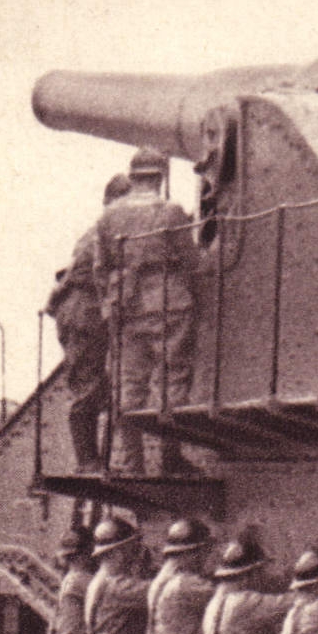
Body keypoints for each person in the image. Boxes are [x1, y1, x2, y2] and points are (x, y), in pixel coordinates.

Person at [92, 147, 201, 474]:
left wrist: (112, 300)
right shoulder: (171, 212)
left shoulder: (108, 217)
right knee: (172, 378)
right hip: (168, 301)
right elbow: (192, 261)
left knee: (128, 385)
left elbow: (100, 268)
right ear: (160, 177)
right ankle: (170, 457)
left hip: (125, 306)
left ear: (133, 177)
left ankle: (132, 462)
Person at [47, 174, 131, 472]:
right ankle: (87, 461)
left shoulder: (102, 230)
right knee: (87, 384)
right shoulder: (103, 232)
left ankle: (94, 460)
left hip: (88, 309)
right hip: (82, 310)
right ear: (111, 202)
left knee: (97, 385)